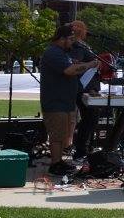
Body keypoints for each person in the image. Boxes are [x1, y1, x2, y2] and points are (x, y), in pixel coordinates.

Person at [40, 25, 98, 176]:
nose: (73, 42)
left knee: (62, 134)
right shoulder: (53, 52)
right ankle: (55, 164)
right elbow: (69, 70)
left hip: (64, 101)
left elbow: (71, 66)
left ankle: (59, 161)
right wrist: (89, 65)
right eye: (71, 39)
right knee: (57, 135)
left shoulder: (62, 53)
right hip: (55, 101)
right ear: (61, 38)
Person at [68, 20, 100, 160]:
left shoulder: (83, 45)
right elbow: (75, 63)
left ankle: (85, 147)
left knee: (91, 118)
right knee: (89, 118)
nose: (86, 31)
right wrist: (92, 63)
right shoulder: (76, 46)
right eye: (84, 28)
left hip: (90, 86)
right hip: (83, 87)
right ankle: (81, 149)